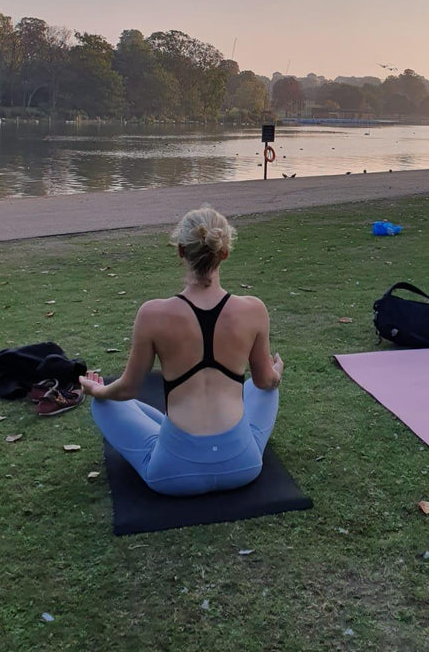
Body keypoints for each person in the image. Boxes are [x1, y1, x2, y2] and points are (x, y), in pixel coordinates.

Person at [80, 206, 283, 496]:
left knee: (105, 402)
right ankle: (193, 437)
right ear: (224, 252)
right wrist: (278, 373)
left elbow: (127, 390)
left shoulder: (152, 314)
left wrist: (96, 391)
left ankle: (168, 433)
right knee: (265, 388)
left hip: (173, 476)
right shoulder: (254, 309)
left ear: (180, 251)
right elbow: (265, 382)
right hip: (243, 467)